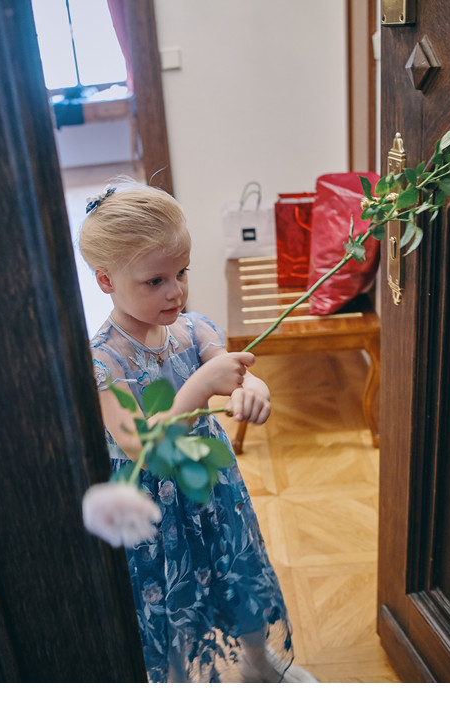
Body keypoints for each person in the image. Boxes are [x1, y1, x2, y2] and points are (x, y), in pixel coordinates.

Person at [79, 180, 317, 683]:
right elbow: (137, 442)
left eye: (182, 272)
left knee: (237, 569)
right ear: (105, 281)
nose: (176, 291)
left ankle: (257, 662)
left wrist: (252, 387)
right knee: (170, 602)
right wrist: (201, 387)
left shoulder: (195, 328)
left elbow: (231, 368)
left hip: (213, 486)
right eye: (155, 280)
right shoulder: (102, 359)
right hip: (156, 512)